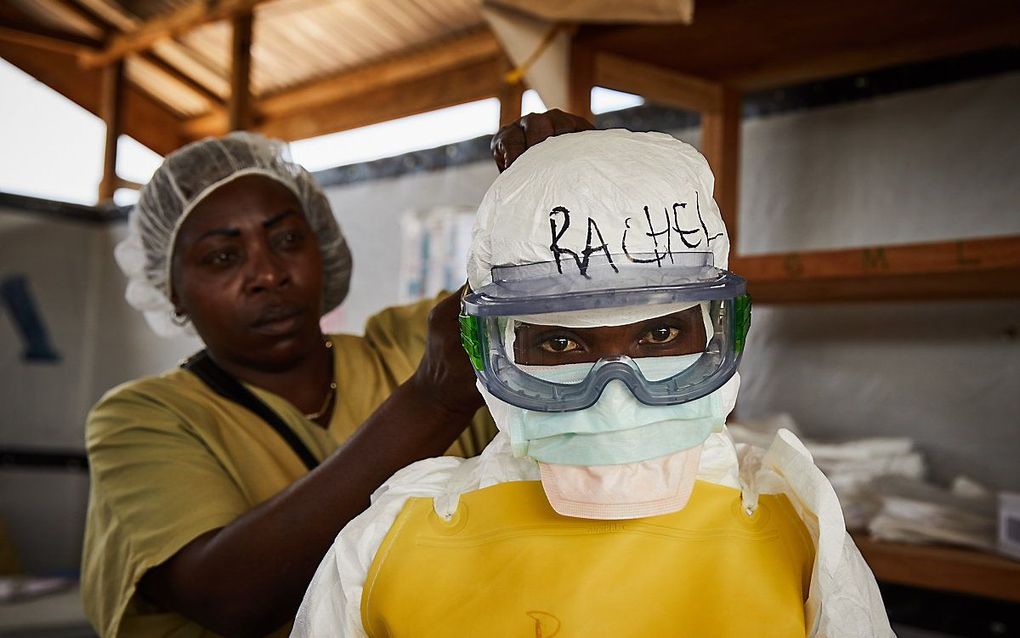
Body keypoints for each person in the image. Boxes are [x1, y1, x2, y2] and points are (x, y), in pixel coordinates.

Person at [292, 129, 895, 637]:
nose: (613, 394)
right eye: (560, 342)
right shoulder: (387, 544)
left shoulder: (804, 538)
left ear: (717, 332)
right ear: (488, 349)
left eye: (658, 336)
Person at [78, 117, 589, 638]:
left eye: (287, 238)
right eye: (224, 256)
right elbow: (226, 597)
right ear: (172, 290)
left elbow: (548, 311)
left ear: (321, 247)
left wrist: (574, 187)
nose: (268, 273)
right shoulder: (142, 418)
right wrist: (431, 400)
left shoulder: (403, 342)